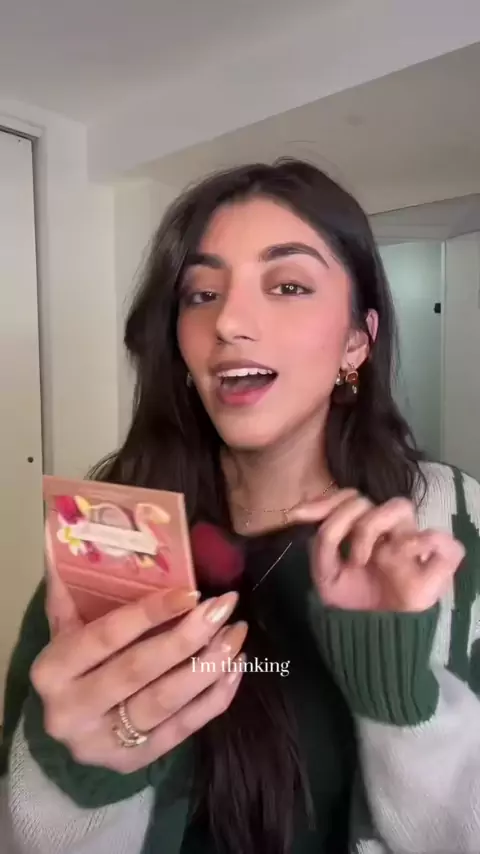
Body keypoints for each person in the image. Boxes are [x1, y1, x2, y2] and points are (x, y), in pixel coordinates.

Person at [1, 158, 480, 854]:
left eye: (288, 286)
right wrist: (75, 775)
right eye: (201, 294)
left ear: (357, 340)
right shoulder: (113, 532)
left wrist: (399, 697)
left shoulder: (449, 522)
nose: (228, 321)